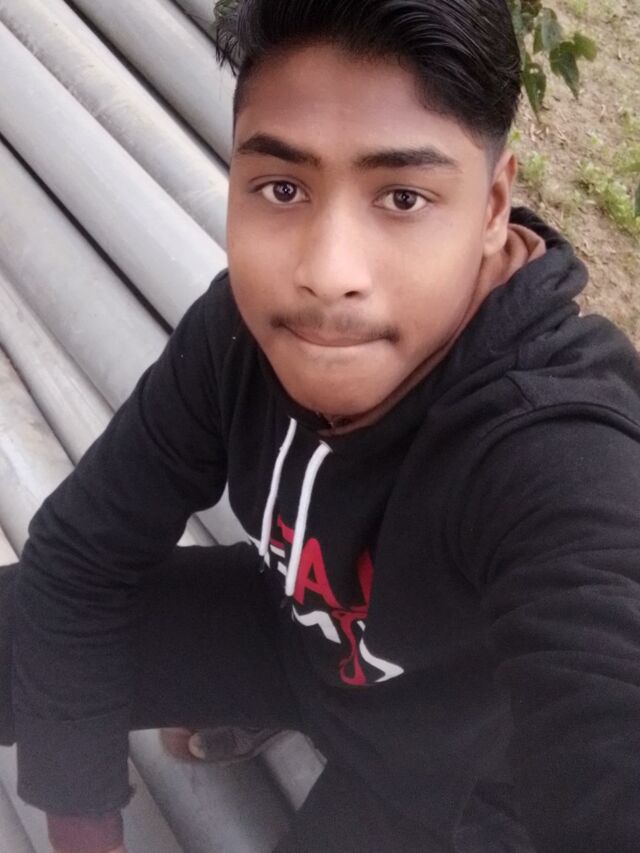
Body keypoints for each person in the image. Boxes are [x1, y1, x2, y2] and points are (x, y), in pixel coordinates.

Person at [2, 0, 640, 850]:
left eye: (403, 197)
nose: (327, 273)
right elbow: (79, 558)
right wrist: (83, 823)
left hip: (450, 774)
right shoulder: (242, 330)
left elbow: (609, 734)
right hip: (299, 633)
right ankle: (274, 708)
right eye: (283, 188)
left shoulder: (555, 448)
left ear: (493, 207)